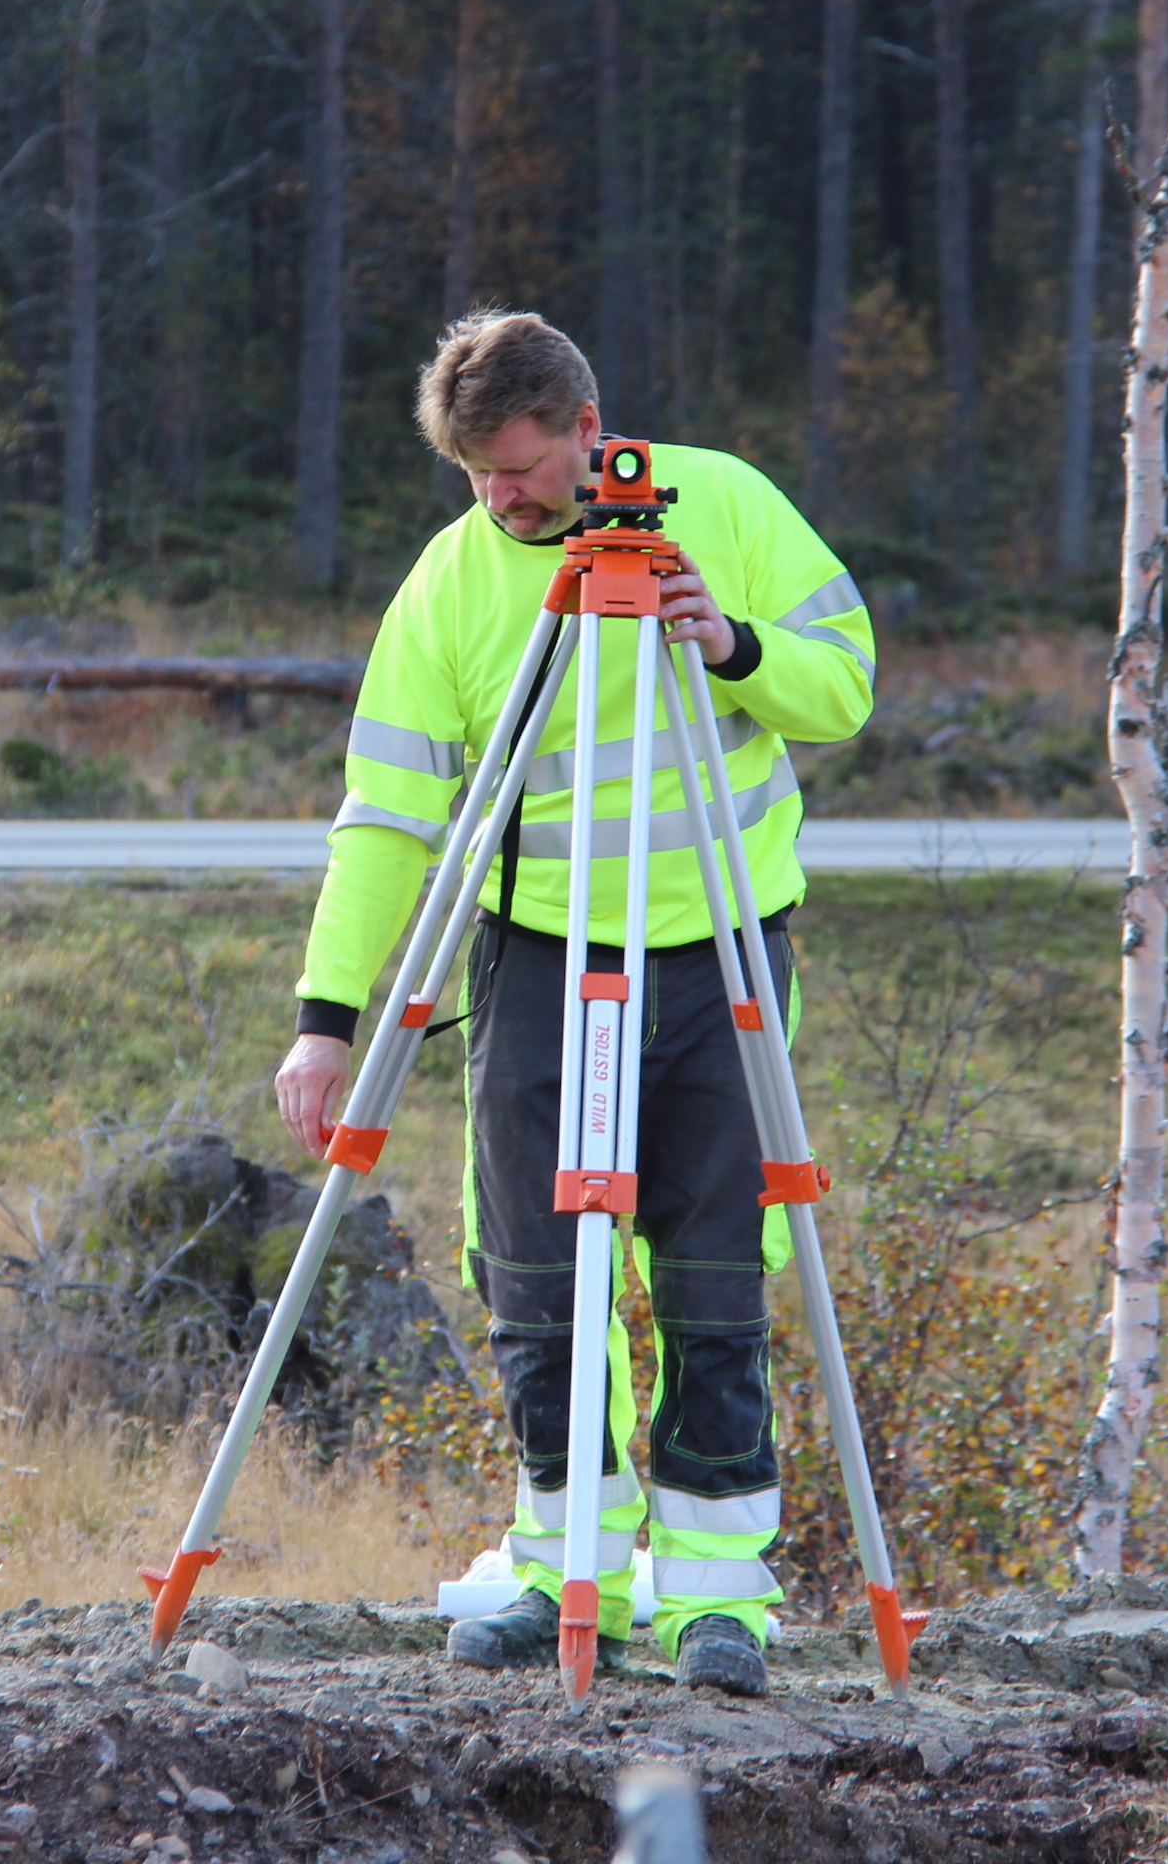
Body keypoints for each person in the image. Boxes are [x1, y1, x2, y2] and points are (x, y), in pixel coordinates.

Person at [273, 311, 875, 1695]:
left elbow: (844, 686)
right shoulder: (451, 582)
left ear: (591, 435)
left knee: (717, 1269)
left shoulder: (722, 504)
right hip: (538, 953)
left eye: (525, 472)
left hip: (720, 946)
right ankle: (564, 1575)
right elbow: (387, 816)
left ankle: (720, 1602)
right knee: (539, 1276)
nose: (501, 499)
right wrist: (326, 1014)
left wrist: (729, 645)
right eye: (476, 474)